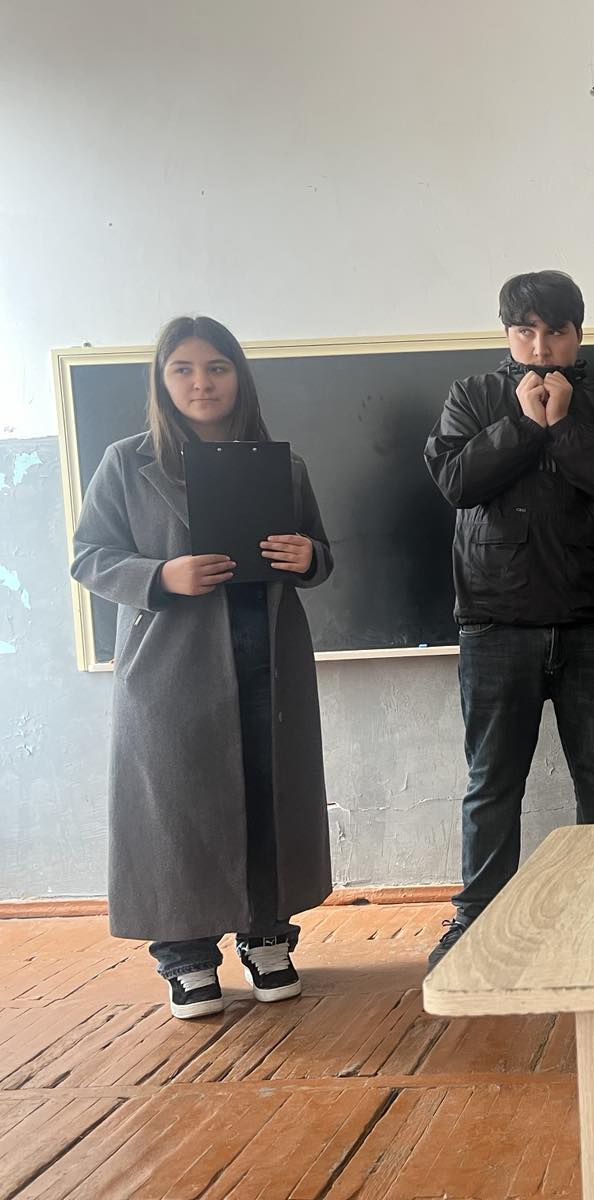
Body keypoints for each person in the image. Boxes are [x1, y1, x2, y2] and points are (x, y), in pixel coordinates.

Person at [71, 316, 334, 1019]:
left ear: (238, 376)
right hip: (171, 666)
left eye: (217, 367)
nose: (201, 382)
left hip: (266, 660)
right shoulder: (126, 463)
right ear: (162, 381)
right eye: (182, 368)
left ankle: (267, 935)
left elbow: (318, 552)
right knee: (176, 808)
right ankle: (185, 955)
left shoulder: (283, 466)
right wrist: (162, 575)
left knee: (267, 796)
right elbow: (89, 556)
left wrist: (309, 557)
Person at [423, 270, 594, 969]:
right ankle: (477, 918)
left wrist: (563, 426)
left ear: (578, 334)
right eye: (526, 330)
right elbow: (456, 483)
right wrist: (523, 424)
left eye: (556, 331)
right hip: (496, 625)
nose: (542, 346)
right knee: (492, 782)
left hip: (593, 625)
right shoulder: (472, 398)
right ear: (508, 334)